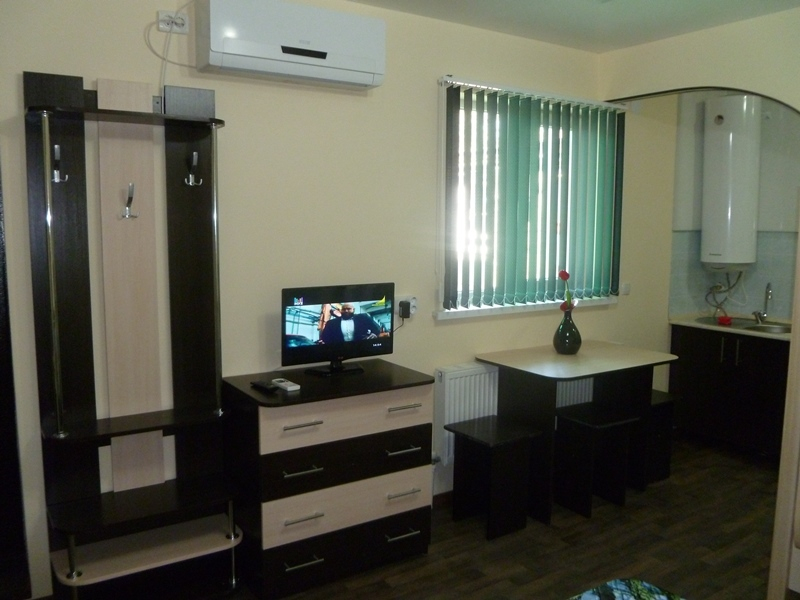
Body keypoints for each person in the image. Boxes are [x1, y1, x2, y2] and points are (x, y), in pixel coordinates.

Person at [319, 303, 387, 343]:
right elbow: (324, 337)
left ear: (353, 310)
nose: (346, 311)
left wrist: (374, 334)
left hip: (360, 349)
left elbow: (376, 327)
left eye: (348, 309)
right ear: (341, 310)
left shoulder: (363, 318)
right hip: (340, 350)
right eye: (344, 309)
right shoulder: (332, 323)